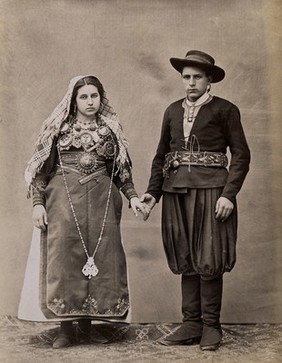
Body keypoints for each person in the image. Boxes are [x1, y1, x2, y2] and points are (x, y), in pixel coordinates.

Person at [19, 75, 147, 348]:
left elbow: (121, 174)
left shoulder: (111, 131)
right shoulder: (58, 130)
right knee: (65, 261)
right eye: (84, 97)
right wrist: (37, 204)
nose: (90, 102)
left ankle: (88, 327)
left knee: (100, 262)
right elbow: (41, 172)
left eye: (94, 96)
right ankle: (66, 329)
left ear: (102, 98)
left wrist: (134, 198)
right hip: (64, 204)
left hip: (102, 205)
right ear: (74, 100)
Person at [141, 50, 250, 351]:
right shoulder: (172, 110)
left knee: (209, 257)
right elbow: (161, 156)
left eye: (197, 77)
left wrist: (229, 194)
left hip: (211, 191)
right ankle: (191, 323)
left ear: (209, 80)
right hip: (176, 192)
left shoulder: (225, 110)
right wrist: (152, 193)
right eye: (186, 77)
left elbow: (241, 155)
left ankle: (211, 327)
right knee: (185, 255)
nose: (190, 83)